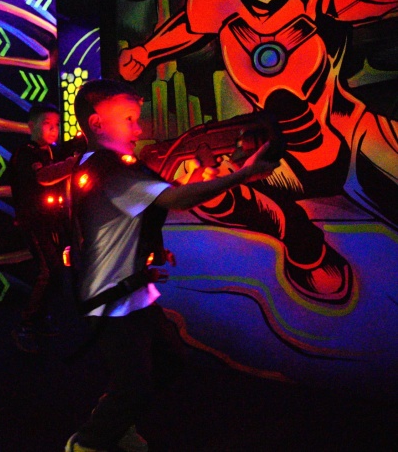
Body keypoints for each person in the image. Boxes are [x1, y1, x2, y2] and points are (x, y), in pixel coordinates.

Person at [65, 79, 280, 452]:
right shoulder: (108, 170)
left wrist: (155, 249)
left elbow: (148, 209)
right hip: (111, 299)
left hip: (133, 291)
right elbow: (176, 199)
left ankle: (118, 419)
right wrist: (242, 174)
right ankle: (88, 442)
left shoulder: (118, 167)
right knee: (135, 381)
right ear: (97, 123)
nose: (138, 129)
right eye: (129, 119)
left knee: (168, 360)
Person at [9, 102, 86, 353]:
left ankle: (40, 318)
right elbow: (44, 177)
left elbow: (68, 152)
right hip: (34, 222)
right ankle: (25, 324)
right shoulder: (25, 154)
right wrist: (75, 163)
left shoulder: (53, 151)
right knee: (46, 271)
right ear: (31, 126)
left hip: (52, 221)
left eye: (57, 125)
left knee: (54, 271)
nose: (54, 129)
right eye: (47, 124)